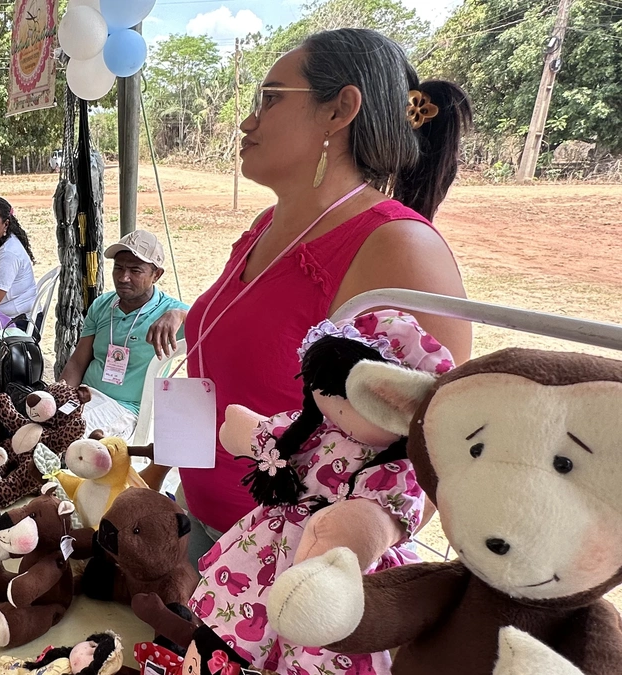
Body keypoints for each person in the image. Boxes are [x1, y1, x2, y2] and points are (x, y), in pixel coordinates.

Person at [138, 28, 473, 564]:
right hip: (195, 528)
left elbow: (437, 450)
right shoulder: (267, 225)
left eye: (269, 99)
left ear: (340, 110)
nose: (247, 121)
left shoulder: (399, 248)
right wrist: (153, 480)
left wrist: (318, 572)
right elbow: (214, 375)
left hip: (285, 572)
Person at [59, 231, 187, 441]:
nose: (123, 277)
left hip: (126, 410)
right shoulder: (102, 305)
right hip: (85, 396)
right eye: (118, 267)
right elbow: (77, 361)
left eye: (135, 270)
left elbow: (218, 328)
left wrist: (182, 315)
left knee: (71, 435)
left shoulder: (169, 312)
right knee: (38, 422)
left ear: (157, 275)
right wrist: (59, 396)